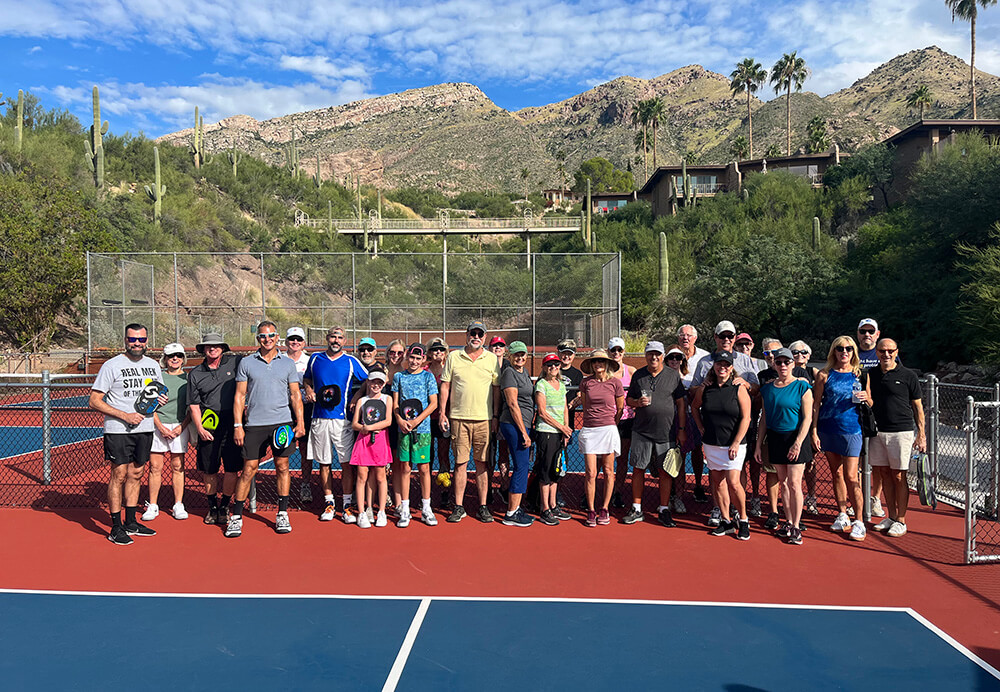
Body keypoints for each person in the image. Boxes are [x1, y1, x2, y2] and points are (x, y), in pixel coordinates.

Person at [89, 324, 167, 545]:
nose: (137, 343)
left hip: (145, 428)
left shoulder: (153, 365)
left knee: (137, 473)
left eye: (141, 340)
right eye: (133, 339)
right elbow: (94, 400)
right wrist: (124, 415)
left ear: (147, 341)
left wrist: (160, 401)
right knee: (119, 474)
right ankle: (115, 527)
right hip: (119, 430)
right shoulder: (111, 365)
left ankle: (131, 522)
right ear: (125, 340)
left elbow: (156, 395)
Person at [226, 320, 304, 538]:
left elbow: (295, 395)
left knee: (282, 466)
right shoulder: (247, 362)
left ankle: (282, 513)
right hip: (254, 425)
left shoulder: (287, 364)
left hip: (282, 424)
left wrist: (300, 422)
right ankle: (237, 516)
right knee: (249, 469)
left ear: (277, 337)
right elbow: (240, 396)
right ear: (257, 338)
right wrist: (238, 425)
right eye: (263, 336)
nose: (267, 339)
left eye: (271, 336)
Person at [690, 321, 759, 507]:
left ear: (735, 338)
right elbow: (693, 392)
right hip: (714, 424)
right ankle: (719, 509)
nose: (726, 339)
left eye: (730, 336)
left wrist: (747, 385)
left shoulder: (745, 360)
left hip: (738, 423)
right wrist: (703, 386)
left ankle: (738, 509)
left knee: (738, 470)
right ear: (715, 338)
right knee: (717, 475)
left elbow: (756, 388)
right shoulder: (705, 362)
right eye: (722, 336)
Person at [303, 326, 369, 523]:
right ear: (327, 338)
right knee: (324, 463)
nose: (336, 340)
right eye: (333, 336)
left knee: (346, 464)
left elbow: (367, 380)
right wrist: (308, 389)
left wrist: (356, 397)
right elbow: (307, 378)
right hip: (319, 418)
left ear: (345, 341)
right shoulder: (315, 359)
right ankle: (329, 503)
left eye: (340, 337)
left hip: (342, 421)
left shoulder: (351, 361)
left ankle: (347, 506)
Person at [438, 321, 501, 523]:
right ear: (467, 335)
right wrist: (442, 412)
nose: (476, 337)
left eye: (480, 334)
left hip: (484, 419)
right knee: (460, 464)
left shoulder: (491, 359)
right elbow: (445, 386)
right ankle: (458, 506)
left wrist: (495, 416)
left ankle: (483, 506)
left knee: (482, 464)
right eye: (473, 333)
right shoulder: (454, 357)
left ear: (484, 338)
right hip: (458, 418)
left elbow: (497, 390)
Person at [623, 341, 687, 527]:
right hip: (641, 431)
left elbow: (681, 405)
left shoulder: (673, 376)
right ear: (646, 355)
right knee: (638, 468)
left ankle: (663, 508)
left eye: (657, 354)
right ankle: (636, 508)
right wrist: (637, 403)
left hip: (666, 433)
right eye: (650, 353)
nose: (654, 357)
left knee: (665, 471)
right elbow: (629, 400)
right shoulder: (639, 375)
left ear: (662, 356)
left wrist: (681, 430)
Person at [867, 338, 926, 537]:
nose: (886, 354)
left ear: (896, 352)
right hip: (877, 432)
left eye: (890, 351)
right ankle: (891, 516)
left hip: (901, 432)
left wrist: (921, 435)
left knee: (899, 476)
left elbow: (918, 407)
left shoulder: (908, 375)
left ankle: (901, 519)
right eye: (882, 351)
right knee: (883, 474)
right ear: (876, 352)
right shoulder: (871, 375)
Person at [691, 351, 752, 540]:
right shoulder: (705, 389)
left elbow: (746, 417)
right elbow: (694, 407)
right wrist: (700, 427)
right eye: (719, 364)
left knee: (734, 482)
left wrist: (735, 442)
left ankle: (743, 520)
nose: (722, 368)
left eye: (726, 365)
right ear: (714, 366)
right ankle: (725, 521)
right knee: (718, 482)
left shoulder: (738, 388)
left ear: (731, 368)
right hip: (712, 443)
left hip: (734, 445)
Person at [812, 335, 868, 542]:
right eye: (840, 348)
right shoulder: (824, 375)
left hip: (852, 430)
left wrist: (866, 398)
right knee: (836, 474)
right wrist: (814, 430)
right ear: (833, 351)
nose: (844, 352)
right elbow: (816, 404)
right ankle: (843, 513)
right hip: (828, 429)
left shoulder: (860, 374)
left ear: (854, 352)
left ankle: (859, 520)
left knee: (852, 476)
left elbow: (871, 400)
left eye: (849, 348)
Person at [756, 348, 813, 545]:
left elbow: (808, 418)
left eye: (786, 362)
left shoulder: (802, 387)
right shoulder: (768, 388)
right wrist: (757, 445)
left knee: (795, 483)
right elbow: (763, 418)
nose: (782, 366)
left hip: (796, 437)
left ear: (793, 364)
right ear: (773, 364)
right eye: (778, 362)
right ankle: (788, 522)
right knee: (783, 481)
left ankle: (796, 526)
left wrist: (797, 443)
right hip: (775, 438)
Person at [186, 333, 243, 527]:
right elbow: (194, 405)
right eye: (208, 346)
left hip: (233, 422)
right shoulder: (195, 373)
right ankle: (212, 507)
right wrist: (200, 428)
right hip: (209, 423)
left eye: (217, 345)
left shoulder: (236, 363)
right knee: (209, 469)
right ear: (203, 349)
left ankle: (225, 506)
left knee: (231, 469)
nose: (213, 348)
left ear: (223, 348)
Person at [392, 343, 439, 527]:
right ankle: (405, 509)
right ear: (407, 357)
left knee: (424, 468)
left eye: (418, 359)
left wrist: (417, 421)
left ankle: (426, 508)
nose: (414, 361)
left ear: (424, 360)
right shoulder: (399, 377)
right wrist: (400, 420)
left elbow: (433, 403)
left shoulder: (428, 377)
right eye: (412, 357)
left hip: (423, 430)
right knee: (405, 468)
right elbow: (396, 404)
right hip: (404, 429)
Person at [143, 342, 190, 521]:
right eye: (171, 356)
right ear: (165, 359)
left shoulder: (188, 379)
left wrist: (181, 427)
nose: (175, 359)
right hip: (158, 426)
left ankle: (178, 504)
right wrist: (160, 426)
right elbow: (149, 406)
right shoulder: (157, 378)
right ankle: (153, 505)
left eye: (178, 355)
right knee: (155, 467)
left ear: (183, 358)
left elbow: (191, 408)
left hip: (179, 426)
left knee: (178, 467)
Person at [579, 348, 625, 526]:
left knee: (608, 471)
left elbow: (619, 409)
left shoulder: (616, 383)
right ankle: (591, 510)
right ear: (591, 365)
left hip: (608, 430)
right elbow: (585, 405)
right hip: (590, 430)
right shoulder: (586, 383)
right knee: (591, 473)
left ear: (607, 364)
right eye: (595, 362)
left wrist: (610, 423)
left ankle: (604, 508)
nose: (598, 364)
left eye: (601, 361)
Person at [350, 365, 393, 528]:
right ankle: (362, 513)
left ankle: (381, 512)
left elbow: (388, 421)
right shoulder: (362, 401)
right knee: (362, 477)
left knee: (381, 477)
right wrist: (363, 428)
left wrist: (372, 428)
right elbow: (355, 423)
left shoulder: (387, 399)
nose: (376, 385)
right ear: (367, 382)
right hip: (363, 441)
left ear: (383, 384)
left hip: (380, 441)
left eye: (379, 383)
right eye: (373, 382)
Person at [498, 341, 535, 527]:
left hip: (524, 424)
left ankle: (516, 507)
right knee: (521, 466)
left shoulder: (524, 372)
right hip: (514, 425)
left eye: (523, 354)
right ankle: (511, 513)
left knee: (522, 466)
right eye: (516, 355)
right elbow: (513, 404)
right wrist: (523, 432)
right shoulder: (509, 373)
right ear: (509, 356)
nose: (520, 358)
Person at [534, 353, 573, 525]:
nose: (553, 367)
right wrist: (562, 427)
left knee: (556, 471)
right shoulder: (541, 385)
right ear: (544, 368)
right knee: (545, 471)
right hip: (546, 432)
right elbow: (542, 412)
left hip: (559, 434)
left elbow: (565, 408)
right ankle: (544, 509)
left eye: (556, 365)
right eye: (549, 365)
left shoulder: (562, 385)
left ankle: (553, 505)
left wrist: (565, 430)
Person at [857, 318, 889, 518]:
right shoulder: (850, 352)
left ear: (877, 334)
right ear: (858, 333)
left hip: (879, 415)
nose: (867, 334)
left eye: (871, 331)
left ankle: (875, 498)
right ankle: (857, 497)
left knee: (877, 462)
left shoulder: (883, 353)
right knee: (856, 461)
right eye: (863, 331)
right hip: (855, 415)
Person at [284, 326, 314, 504]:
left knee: (305, 449)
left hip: (306, 408)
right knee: (283, 448)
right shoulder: (279, 360)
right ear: (286, 341)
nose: (295, 342)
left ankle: (305, 484)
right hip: (284, 409)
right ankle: (284, 484)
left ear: (303, 343)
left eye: (298, 339)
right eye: (292, 339)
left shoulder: (310, 361)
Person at [789, 340, 820, 515]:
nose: (799, 355)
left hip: (808, 422)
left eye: (803, 352)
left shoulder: (812, 372)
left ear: (809, 356)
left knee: (810, 463)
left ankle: (811, 496)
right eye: (795, 352)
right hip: (790, 424)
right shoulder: (785, 371)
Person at [608, 336, 634, 509]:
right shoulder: (604, 371)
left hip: (627, 421)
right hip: (608, 421)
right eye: (613, 350)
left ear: (624, 352)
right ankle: (604, 492)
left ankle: (617, 491)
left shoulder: (631, 371)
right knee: (605, 460)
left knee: (622, 459)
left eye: (619, 350)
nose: (616, 353)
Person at [664, 347, 690, 514]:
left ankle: (678, 497)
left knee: (679, 462)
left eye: (678, 357)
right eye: (671, 357)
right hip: (664, 425)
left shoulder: (689, 380)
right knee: (662, 463)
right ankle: (666, 497)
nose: (674, 360)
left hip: (682, 424)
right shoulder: (662, 378)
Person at [426, 337, 452, 504]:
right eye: (435, 349)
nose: (438, 352)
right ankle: (426, 491)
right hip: (427, 421)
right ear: (429, 352)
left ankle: (445, 491)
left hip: (444, 420)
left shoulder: (449, 371)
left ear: (445, 353)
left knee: (443, 455)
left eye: (441, 350)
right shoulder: (424, 371)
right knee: (427, 456)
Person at [488, 335, 511, 502]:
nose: (497, 348)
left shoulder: (509, 367)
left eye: (500, 346)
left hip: (505, 417)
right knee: (488, 455)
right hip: (487, 416)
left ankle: (504, 486)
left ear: (505, 349)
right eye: (495, 345)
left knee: (504, 453)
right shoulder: (485, 364)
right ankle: (487, 487)